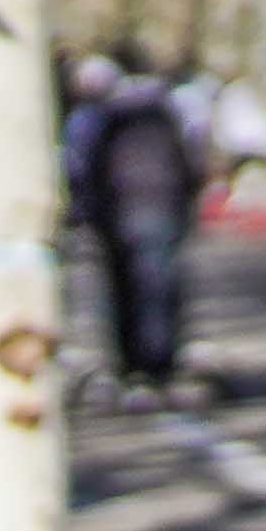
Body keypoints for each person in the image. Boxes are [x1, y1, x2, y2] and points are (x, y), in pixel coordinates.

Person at [68, 55, 202, 392]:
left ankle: (136, 363)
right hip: (160, 208)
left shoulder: (105, 119)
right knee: (159, 286)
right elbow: (189, 162)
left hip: (120, 213)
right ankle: (159, 360)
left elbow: (85, 167)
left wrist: (89, 210)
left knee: (126, 287)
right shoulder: (163, 114)